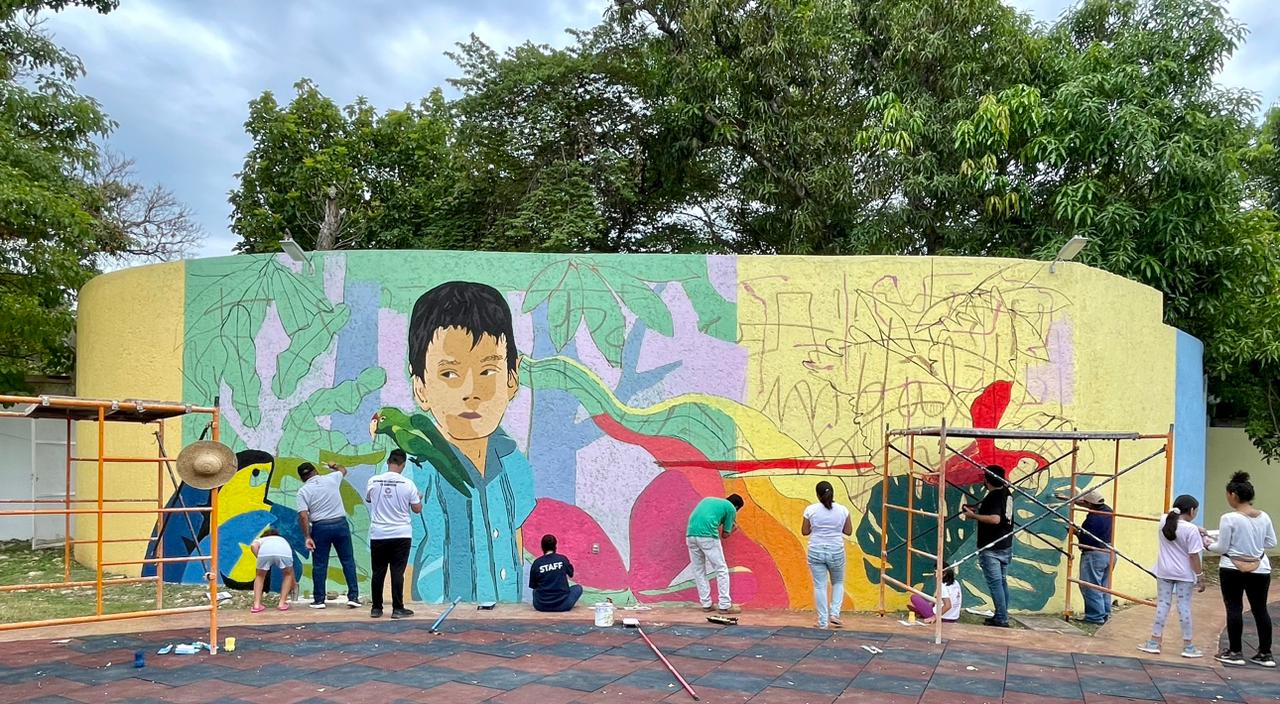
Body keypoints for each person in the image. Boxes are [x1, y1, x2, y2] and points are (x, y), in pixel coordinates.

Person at [392, 281, 535, 604]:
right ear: (420, 387)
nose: (471, 391)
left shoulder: (514, 461)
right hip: (438, 622)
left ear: (512, 378)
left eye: (488, 370)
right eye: (449, 374)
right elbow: (401, 552)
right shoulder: (416, 466)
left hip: (505, 616)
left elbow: (514, 540)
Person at [1206, 471, 1276, 667]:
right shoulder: (1264, 517)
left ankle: (1235, 652)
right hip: (1260, 568)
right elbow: (1271, 542)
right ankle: (1265, 653)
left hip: (1231, 568)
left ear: (1233, 495)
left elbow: (1221, 547)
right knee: (1260, 609)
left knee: (1234, 607)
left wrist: (1207, 544)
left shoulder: (1229, 518)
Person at [1138, 494, 1206, 658]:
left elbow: (1174, 520)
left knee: (1162, 605)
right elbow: (1193, 556)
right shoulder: (1191, 531)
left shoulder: (1163, 521)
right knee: (1184, 607)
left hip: (1164, 572)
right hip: (1184, 574)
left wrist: (1196, 528)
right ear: (1191, 510)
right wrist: (1200, 575)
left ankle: (1154, 641)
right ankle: (1188, 646)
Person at [365, 449, 422, 619]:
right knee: (397, 572)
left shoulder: (373, 481)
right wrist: (418, 498)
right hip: (401, 534)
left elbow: (369, 499)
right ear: (403, 464)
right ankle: (398, 608)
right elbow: (417, 509)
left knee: (378, 572)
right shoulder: (408, 484)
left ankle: (376, 608)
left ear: (388, 462)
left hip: (379, 533)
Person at [295, 461, 360, 609]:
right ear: (316, 471)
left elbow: (303, 516)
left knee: (319, 565)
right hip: (340, 525)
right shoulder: (332, 478)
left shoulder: (303, 491)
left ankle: (319, 600)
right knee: (348, 561)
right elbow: (344, 469)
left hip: (320, 528)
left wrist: (307, 537)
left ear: (302, 478)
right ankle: (354, 597)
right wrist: (334, 465)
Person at [963, 465, 1013, 627]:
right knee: (1002, 582)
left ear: (987, 480)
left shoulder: (994, 496)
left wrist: (973, 516)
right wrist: (979, 510)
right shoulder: (1007, 493)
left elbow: (994, 519)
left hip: (991, 546)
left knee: (995, 583)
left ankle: (1001, 617)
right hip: (1005, 544)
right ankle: (1003, 614)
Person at [801, 481, 851, 629]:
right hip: (836, 550)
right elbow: (848, 531)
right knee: (838, 582)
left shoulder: (810, 510)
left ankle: (822, 622)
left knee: (820, 586)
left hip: (815, 550)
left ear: (817, 494)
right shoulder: (843, 510)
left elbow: (805, 531)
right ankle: (835, 614)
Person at [686, 494, 745, 614]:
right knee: (721, 569)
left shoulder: (708, 500)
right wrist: (734, 527)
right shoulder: (730, 508)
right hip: (707, 537)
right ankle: (724, 605)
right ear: (737, 507)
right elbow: (725, 534)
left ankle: (706, 604)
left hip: (691, 535)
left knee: (699, 570)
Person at [1074, 489, 1115, 625]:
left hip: (1094, 554)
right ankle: (1105, 614)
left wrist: (1076, 532)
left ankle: (1095, 616)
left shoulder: (1092, 520)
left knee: (1090, 586)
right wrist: (1071, 501)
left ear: (1089, 503)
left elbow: (1087, 539)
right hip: (1109, 552)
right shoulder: (1108, 510)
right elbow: (1087, 503)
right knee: (1104, 586)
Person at [528, 534, 583, 612]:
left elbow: (533, 586)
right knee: (578, 588)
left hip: (541, 606)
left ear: (542, 547)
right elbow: (571, 574)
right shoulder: (563, 559)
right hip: (563, 605)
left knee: (535, 591)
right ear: (555, 546)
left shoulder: (537, 563)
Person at [250, 526, 295, 614]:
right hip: (284, 552)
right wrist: (294, 583)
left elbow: (253, 545)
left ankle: (256, 605)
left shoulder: (262, 539)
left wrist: (259, 557)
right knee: (287, 575)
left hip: (264, 553)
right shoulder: (282, 539)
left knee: (260, 576)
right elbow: (291, 570)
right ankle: (281, 603)